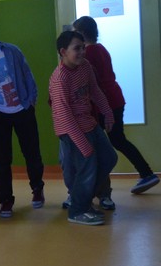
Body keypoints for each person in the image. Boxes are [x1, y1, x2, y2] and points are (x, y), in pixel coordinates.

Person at [72, 15, 159, 202]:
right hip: (115, 99)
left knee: (101, 144)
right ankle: (145, 173)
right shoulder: (101, 49)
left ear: (82, 33)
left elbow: (91, 83)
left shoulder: (89, 54)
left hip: (106, 103)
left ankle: (103, 187)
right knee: (118, 140)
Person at [0, 17, 45, 217]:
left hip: (22, 109)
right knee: (2, 160)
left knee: (32, 153)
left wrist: (31, 100)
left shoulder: (11, 51)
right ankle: (6, 200)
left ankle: (37, 188)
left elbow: (27, 74)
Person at [49, 31, 117, 226]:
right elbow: (64, 115)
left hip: (89, 123)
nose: (82, 52)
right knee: (87, 167)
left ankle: (83, 199)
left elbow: (95, 91)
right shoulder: (60, 78)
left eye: (83, 47)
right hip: (70, 129)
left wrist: (108, 113)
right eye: (76, 48)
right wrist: (83, 144)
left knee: (109, 158)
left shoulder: (85, 66)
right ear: (63, 52)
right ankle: (78, 210)